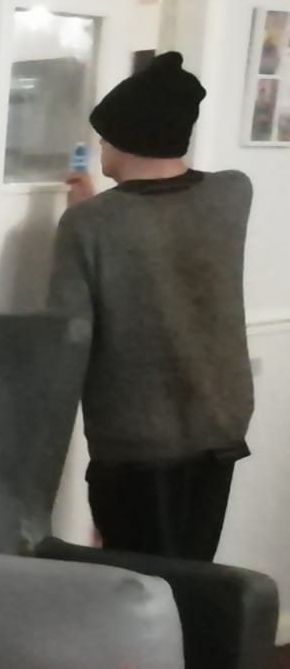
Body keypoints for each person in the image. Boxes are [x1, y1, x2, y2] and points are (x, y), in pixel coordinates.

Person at [52, 51, 252, 562]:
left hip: (136, 435)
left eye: (104, 137)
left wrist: (84, 216)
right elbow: (161, 220)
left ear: (126, 138)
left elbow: (68, 333)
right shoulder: (232, 194)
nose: (100, 146)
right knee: (194, 572)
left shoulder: (89, 224)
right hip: (220, 423)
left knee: (141, 583)